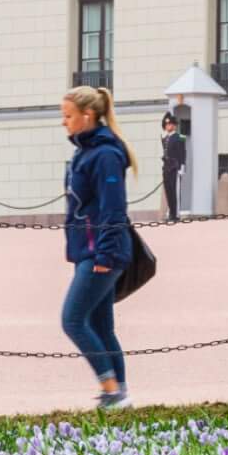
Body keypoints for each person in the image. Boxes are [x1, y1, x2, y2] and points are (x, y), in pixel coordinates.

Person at [61, 84, 135, 410]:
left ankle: (110, 389)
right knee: (102, 326)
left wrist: (104, 254)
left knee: (73, 320)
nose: (64, 122)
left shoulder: (104, 155)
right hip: (90, 250)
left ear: (86, 115)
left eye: (68, 116)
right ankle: (120, 395)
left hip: (101, 252)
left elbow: (113, 208)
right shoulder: (86, 151)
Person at [160, 111, 187, 223]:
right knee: (168, 191)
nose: (168, 126)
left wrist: (182, 167)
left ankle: (176, 214)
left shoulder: (180, 137)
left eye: (170, 124)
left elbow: (182, 153)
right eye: (166, 125)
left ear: (174, 125)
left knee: (175, 191)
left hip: (175, 168)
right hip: (166, 167)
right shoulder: (165, 138)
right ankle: (171, 212)